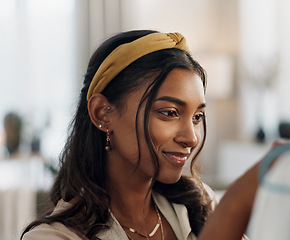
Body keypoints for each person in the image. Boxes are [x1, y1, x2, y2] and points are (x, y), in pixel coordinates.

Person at [21, 30, 230, 240]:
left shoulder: (201, 206)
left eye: (197, 116)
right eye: (169, 113)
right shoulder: (53, 237)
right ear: (103, 113)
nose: (191, 138)